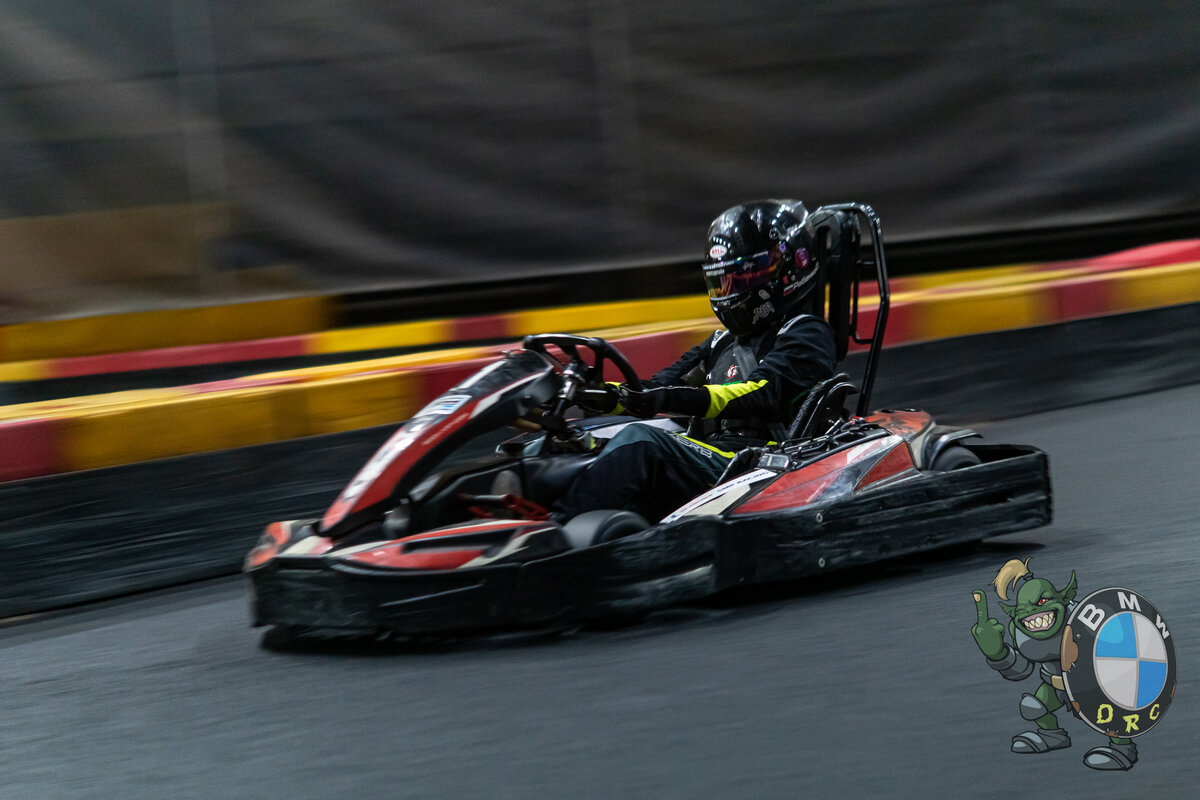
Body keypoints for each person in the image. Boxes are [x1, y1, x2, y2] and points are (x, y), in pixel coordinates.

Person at [551, 199, 839, 524]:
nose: (729, 291)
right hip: (715, 453)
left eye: (742, 279)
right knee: (570, 442)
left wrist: (665, 398)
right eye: (723, 281)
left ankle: (555, 534)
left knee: (641, 442)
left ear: (789, 269)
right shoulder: (722, 341)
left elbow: (761, 392)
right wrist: (590, 396)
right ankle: (529, 513)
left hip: (762, 463)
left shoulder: (807, 333)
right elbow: (655, 388)